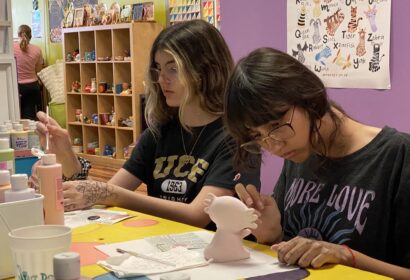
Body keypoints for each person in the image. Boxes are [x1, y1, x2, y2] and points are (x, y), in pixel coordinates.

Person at [34, 20, 260, 229]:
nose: (162, 79)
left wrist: (109, 193)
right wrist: (68, 159)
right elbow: (104, 196)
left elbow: (198, 215)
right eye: (158, 68)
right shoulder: (159, 132)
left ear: (204, 71)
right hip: (165, 248)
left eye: (173, 68)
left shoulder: (236, 137)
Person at [224, 47, 410, 279]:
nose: (273, 146)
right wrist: (271, 235)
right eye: (258, 136)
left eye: (276, 125)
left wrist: (346, 256)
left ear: (308, 96)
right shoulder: (298, 152)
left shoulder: (398, 156)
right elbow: (296, 259)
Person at [13, 24, 44, 120]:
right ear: (30, 36)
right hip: (33, 87)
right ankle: (31, 134)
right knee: (29, 117)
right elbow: (38, 70)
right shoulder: (37, 50)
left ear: (18, 34)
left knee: (16, 116)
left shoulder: (11, 48)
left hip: (17, 87)